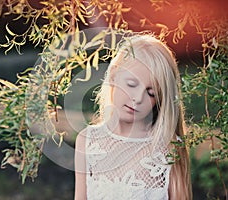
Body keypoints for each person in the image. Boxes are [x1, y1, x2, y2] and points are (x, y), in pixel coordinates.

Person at [74, 34, 192, 200]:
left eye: (151, 93)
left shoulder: (168, 147)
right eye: (131, 84)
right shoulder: (87, 141)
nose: (137, 98)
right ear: (113, 76)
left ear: (159, 100)